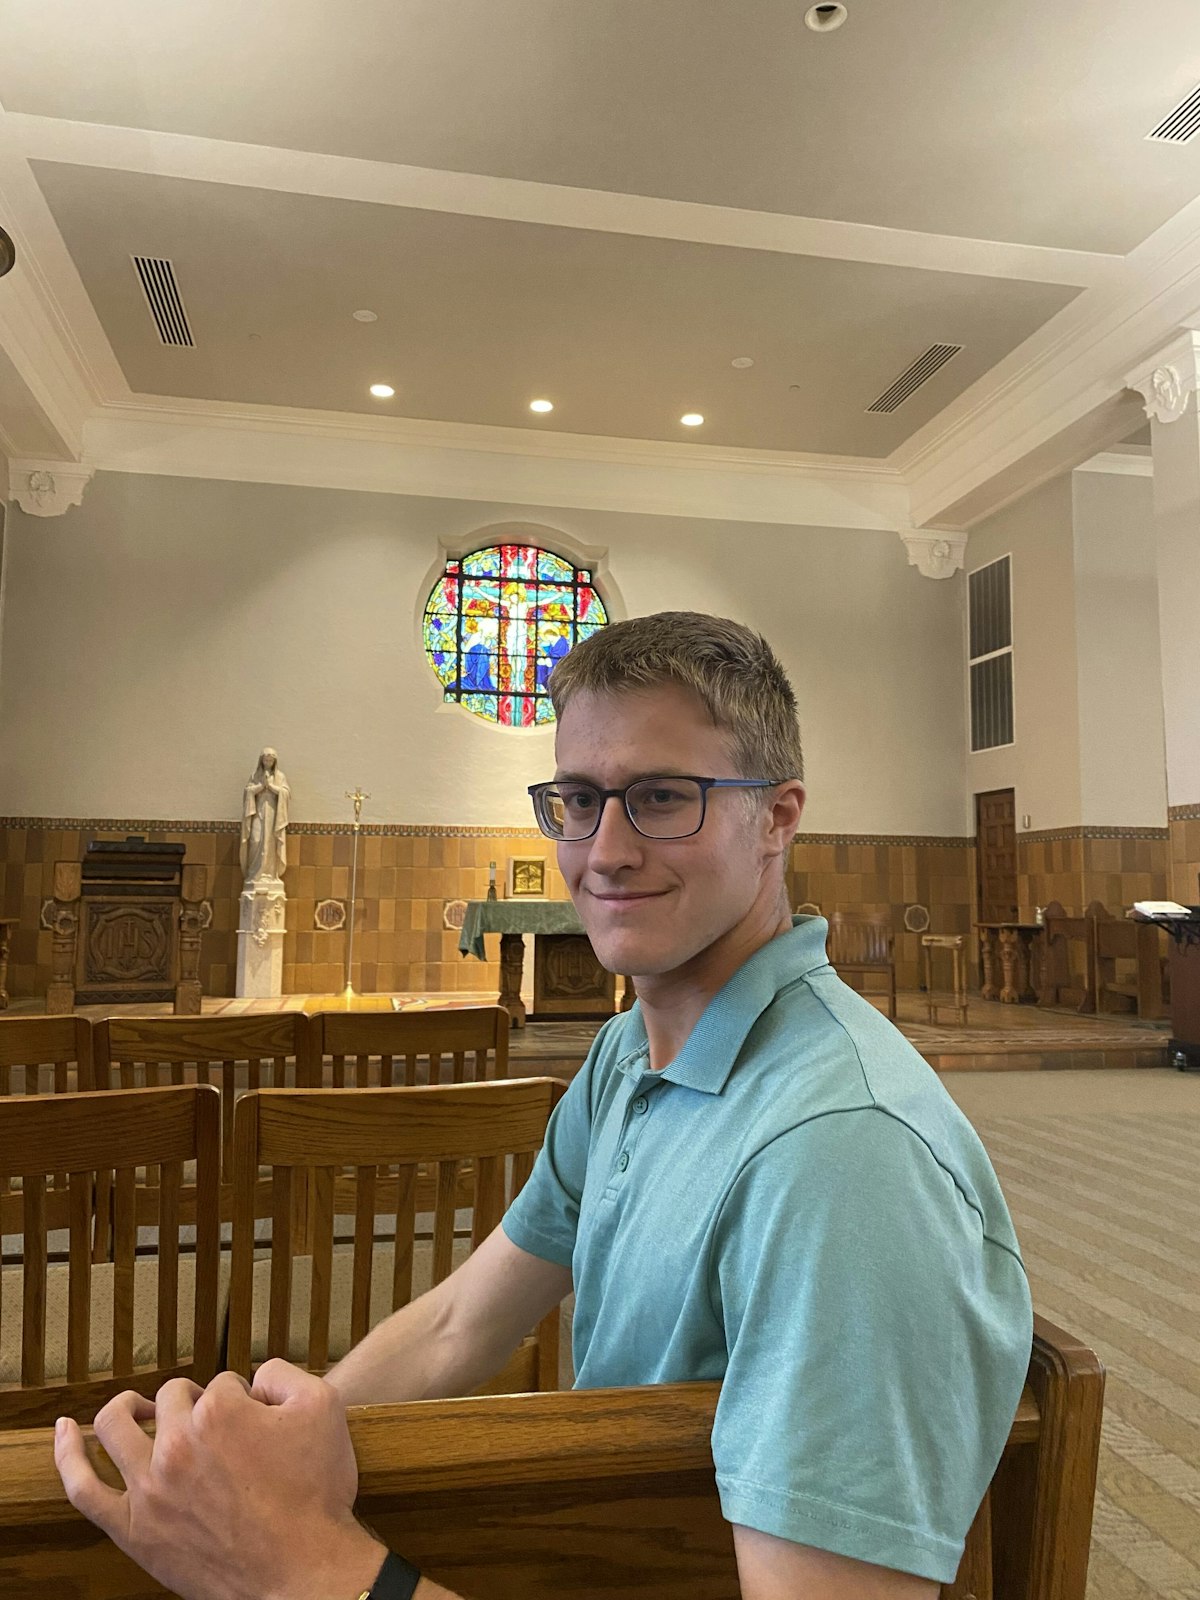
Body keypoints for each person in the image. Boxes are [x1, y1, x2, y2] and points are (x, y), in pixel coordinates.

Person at [56, 612, 1032, 1600]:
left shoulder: (839, 1156)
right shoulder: (624, 1055)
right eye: (578, 799)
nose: (603, 851)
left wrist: (303, 1571)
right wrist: (288, 1442)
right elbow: (461, 1323)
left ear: (777, 817)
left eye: (661, 797)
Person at [239, 746, 290, 884]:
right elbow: (248, 792)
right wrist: (261, 786)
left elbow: (286, 793)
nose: (268, 763)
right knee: (255, 840)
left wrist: (272, 787)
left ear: (274, 762)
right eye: (265, 760)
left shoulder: (280, 777)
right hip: (258, 812)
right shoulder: (255, 776)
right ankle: (254, 874)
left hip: (273, 814)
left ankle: (270, 874)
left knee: (270, 842)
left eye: (270, 761)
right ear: (261, 761)